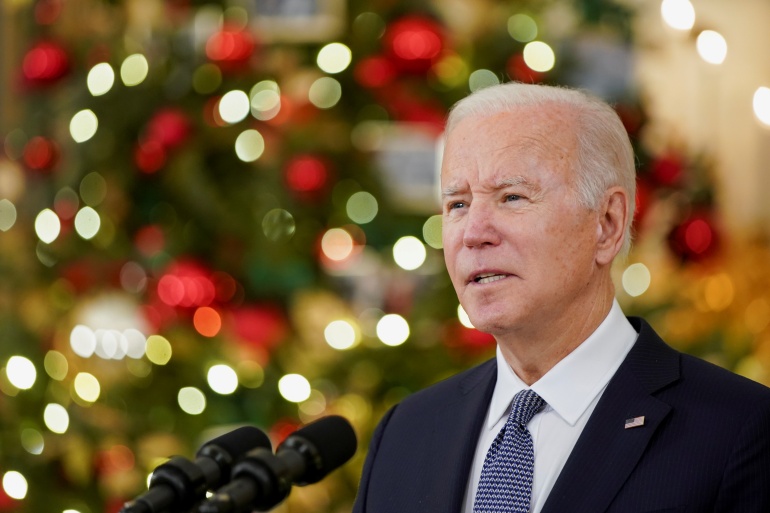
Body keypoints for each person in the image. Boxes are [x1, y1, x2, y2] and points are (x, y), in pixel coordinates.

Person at [352, 82, 770, 513]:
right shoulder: (405, 434)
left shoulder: (740, 431)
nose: (473, 233)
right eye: (458, 204)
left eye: (512, 197)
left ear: (607, 224)